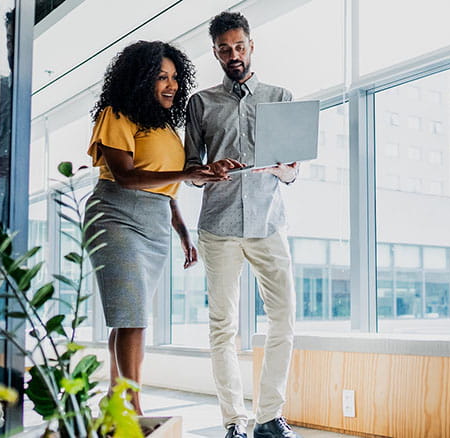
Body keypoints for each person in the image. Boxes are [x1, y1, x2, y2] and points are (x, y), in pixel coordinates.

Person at [84, 40, 232, 415]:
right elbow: (126, 177)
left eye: (175, 78)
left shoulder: (165, 128)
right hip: (115, 215)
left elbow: (165, 188)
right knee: (132, 316)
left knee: (129, 317)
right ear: (141, 79)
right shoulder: (116, 114)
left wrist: (183, 233)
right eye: (161, 77)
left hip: (154, 223)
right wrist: (190, 172)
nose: (172, 85)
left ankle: (115, 400)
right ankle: (132, 408)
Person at [183, 11, 301, 438]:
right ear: (215, 52)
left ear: (251, 46)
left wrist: (283, 169)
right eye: (224, 49)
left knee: (284, 319)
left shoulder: (281, 96)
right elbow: (190, 172)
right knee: (223, 326)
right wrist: (208, 170)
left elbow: (291, 172)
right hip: (219, 225)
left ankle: (269, 417)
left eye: (239, 46)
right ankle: (234, 420)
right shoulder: (201, 103)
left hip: (269, 223)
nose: (233, 54)